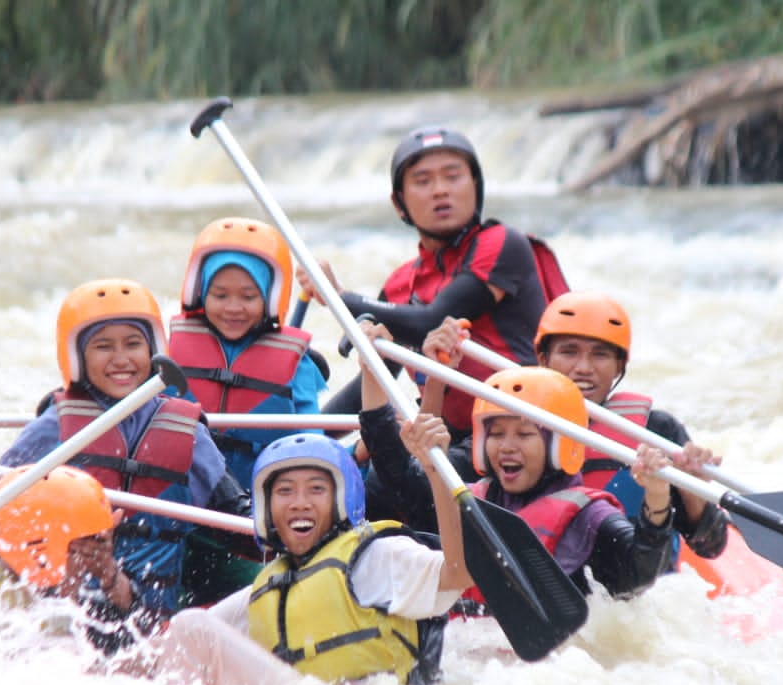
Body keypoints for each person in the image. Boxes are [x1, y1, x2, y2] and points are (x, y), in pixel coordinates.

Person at [0, 278, 257, 626]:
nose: (120, 359)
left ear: (153, 350)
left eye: (133, 344)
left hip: (145, 620)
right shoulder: (54, 428)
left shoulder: (188, 435)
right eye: (103, 346)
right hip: (62, 610)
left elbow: (246, 531)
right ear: (78, 356)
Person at [140, 432, 471, 685]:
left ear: (343, 499)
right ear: (267, 508)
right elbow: (170, 649)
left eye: (316, 490)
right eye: (285, 491)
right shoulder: (268, 586)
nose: (300, 503)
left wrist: (436, 474)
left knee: (191, 626)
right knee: (184, 634)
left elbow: (459, 572)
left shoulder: (375, 556)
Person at [301, 124, 561, 447]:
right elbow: (371, 385)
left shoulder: (502, 245)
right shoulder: (399, 285)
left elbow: (432, 320)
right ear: (399, 204)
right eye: (423, 181)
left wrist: (338, 297)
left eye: (453, 177)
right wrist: (303, 437)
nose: (440, 190)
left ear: (476, 187)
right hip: (444, 440)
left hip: (523, 434)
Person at [357, 349, 677, 604]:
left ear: (559, 444)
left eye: (524, 434)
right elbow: (397, 475)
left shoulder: (590, 516)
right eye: (496, 434)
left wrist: (658, 498)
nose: (507, 447)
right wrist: (371, 374)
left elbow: (638, 576)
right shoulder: (468, 499)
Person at [515, 292, 729, 560]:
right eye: (569, 352)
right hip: (551, 575)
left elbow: (711, 547)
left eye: (600, 355)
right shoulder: (512, 423)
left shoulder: (656, 431)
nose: (583, 368)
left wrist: (692, 489)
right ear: (544, 360)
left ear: (618, 366)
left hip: (635, 584)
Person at [169, 216, 330, 490]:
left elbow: (311, 437)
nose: (233, 308)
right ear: (201, 293)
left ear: (270, 298)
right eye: (220, 296)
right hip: (188, 491)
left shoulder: (297, 363)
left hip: (260, 496)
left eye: (248, 297)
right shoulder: (168, 347)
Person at [0, 465, 147, 654]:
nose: (93, 561)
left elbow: (137, 642)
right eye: (89, 545)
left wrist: (110, 577)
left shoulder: (57, 595)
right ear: (42, 547)